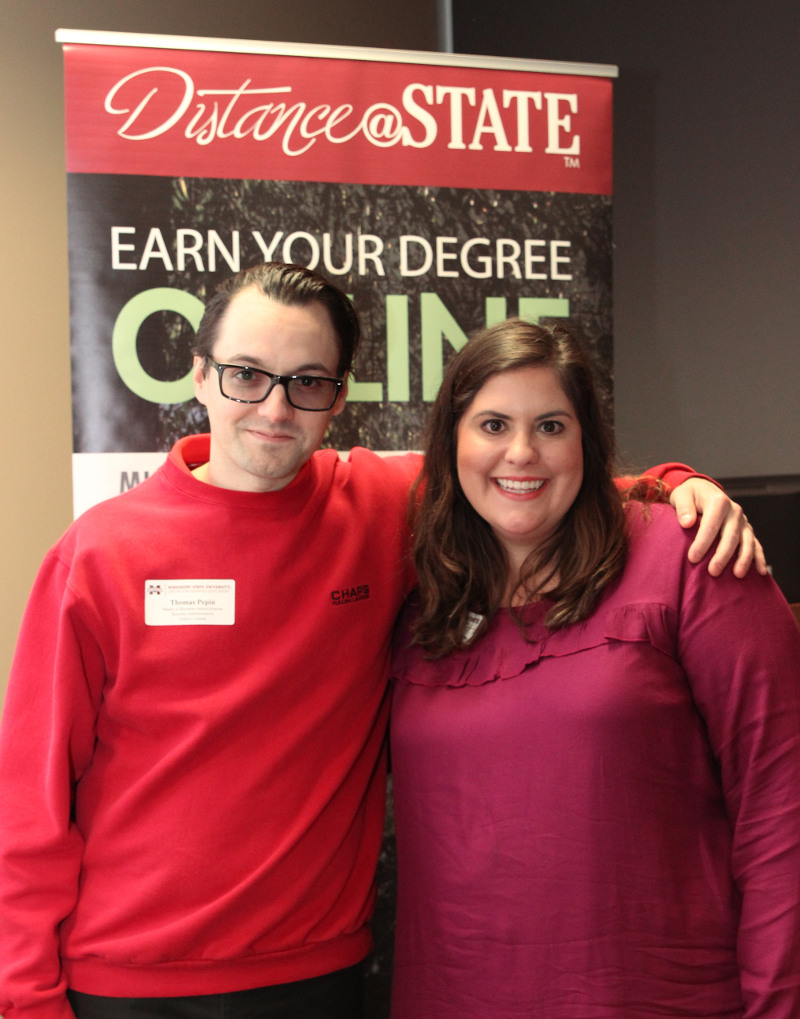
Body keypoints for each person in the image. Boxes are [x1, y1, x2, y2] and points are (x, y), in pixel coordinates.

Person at [0, 264, 764, 1019]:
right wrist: (26, 998)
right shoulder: (99, 555)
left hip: (319, 973)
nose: (273, 406)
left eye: (306, 381)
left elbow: (526, 472)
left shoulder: (377, 504)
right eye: (245, 375)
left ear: (337, 395)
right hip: (129, 984)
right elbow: (29, 805)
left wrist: (678, 483)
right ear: (200, 376)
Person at [389, 318, 800, 1019]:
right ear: (451, 442)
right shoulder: (419, 601)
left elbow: (780, 806)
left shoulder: (691, 557)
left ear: (588, 440)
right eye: (492, 424)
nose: (521, 452)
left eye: (551, 425)